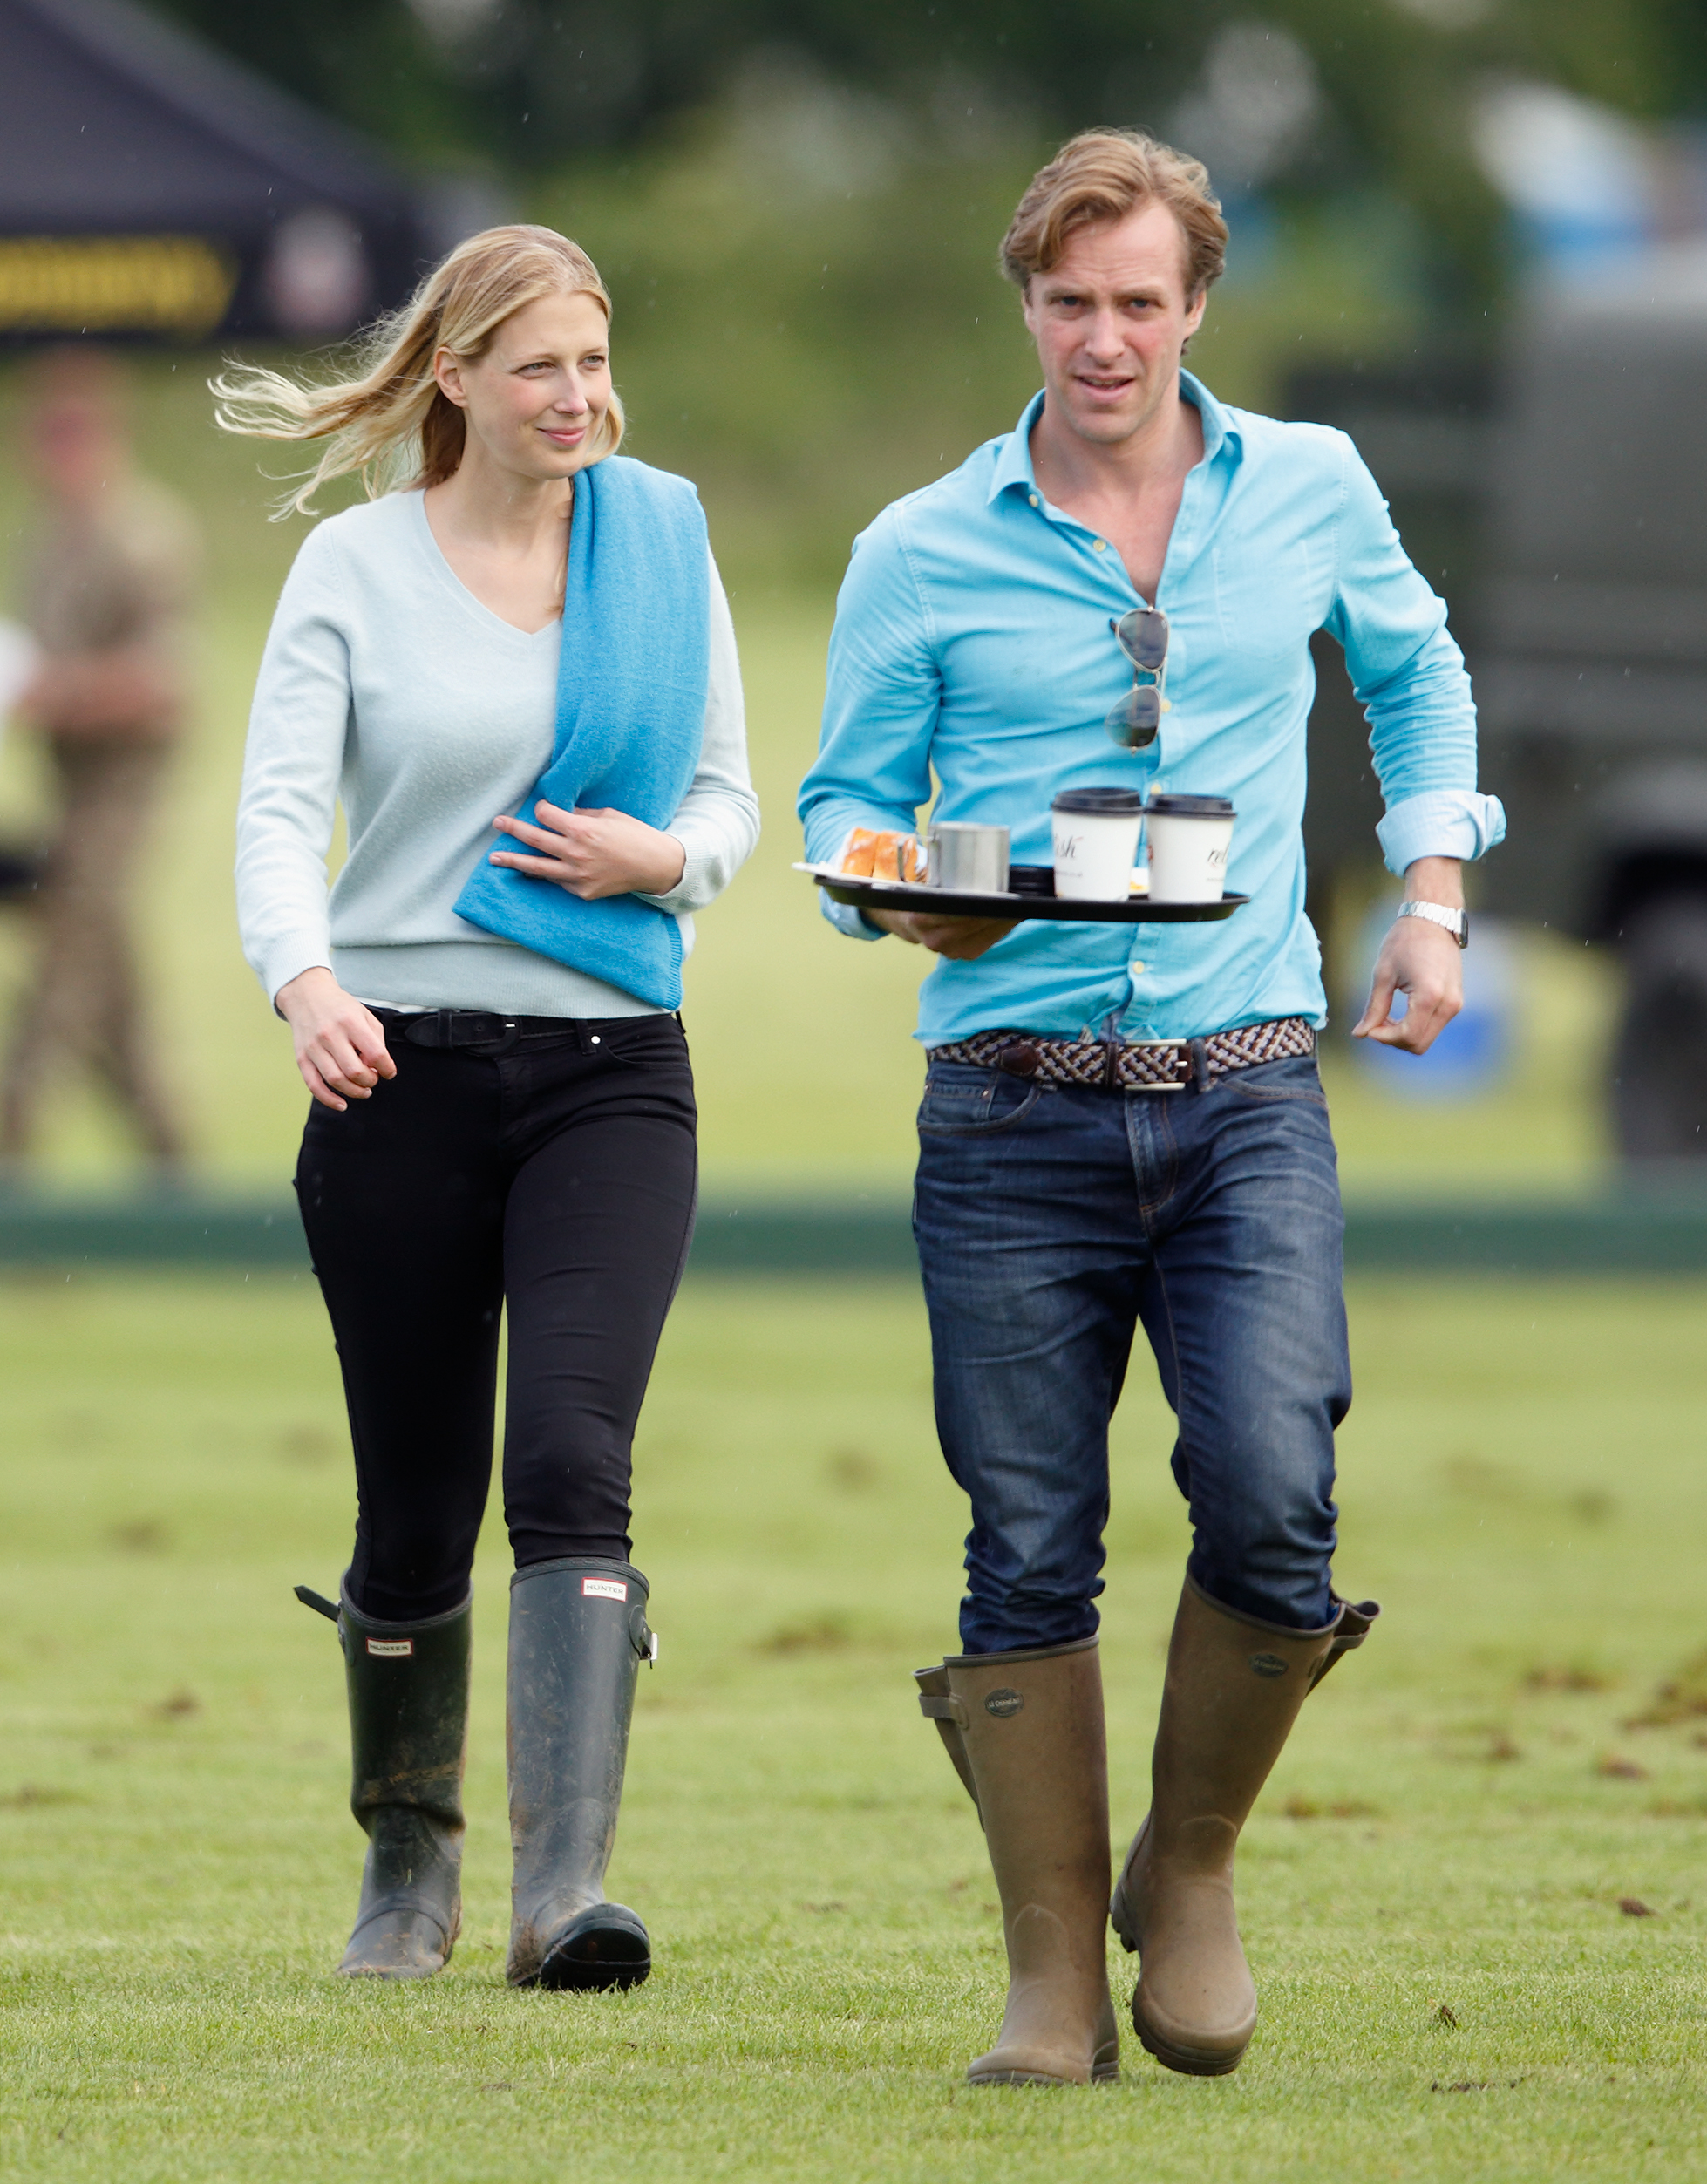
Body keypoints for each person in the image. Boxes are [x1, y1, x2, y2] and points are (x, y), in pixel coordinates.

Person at [799, 131, 1505, 2087]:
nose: (1101, 337)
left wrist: (1433, 899)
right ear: (1020, 304)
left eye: (1136, 301)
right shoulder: (917, 547)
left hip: (1247, 1089)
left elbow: (1421, 674)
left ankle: (1182, 1873)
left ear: (1195, 306)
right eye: (1066, 300)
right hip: (1007, 1111)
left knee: (1276, 1493)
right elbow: (836, 814)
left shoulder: (1312, 488)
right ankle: (1044, 1977)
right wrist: (903, 886)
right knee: (1026, 1539)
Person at [223, 225, 758, 1987]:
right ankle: (407, 1867)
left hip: (612, 1072)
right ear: (453, 374)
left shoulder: (663, 547)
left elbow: (727, 802)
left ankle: (562, 1894)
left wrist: (660, 856)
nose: (579, 397)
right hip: (396, 1069)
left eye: (596, 362)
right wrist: (306, 985)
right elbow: (275, 813)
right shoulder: (353, 574)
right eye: (541, 366)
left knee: (572, 1463)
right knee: (412, 1502)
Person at [2, 347, 198, 1174]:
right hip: (68, 787)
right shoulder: (57, 538)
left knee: (57, 995)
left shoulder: (142, 536)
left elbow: (164, 684)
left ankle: (8, 1173)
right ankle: (174, 1174)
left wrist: (51, 689)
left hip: (120, 796)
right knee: (106, 986)